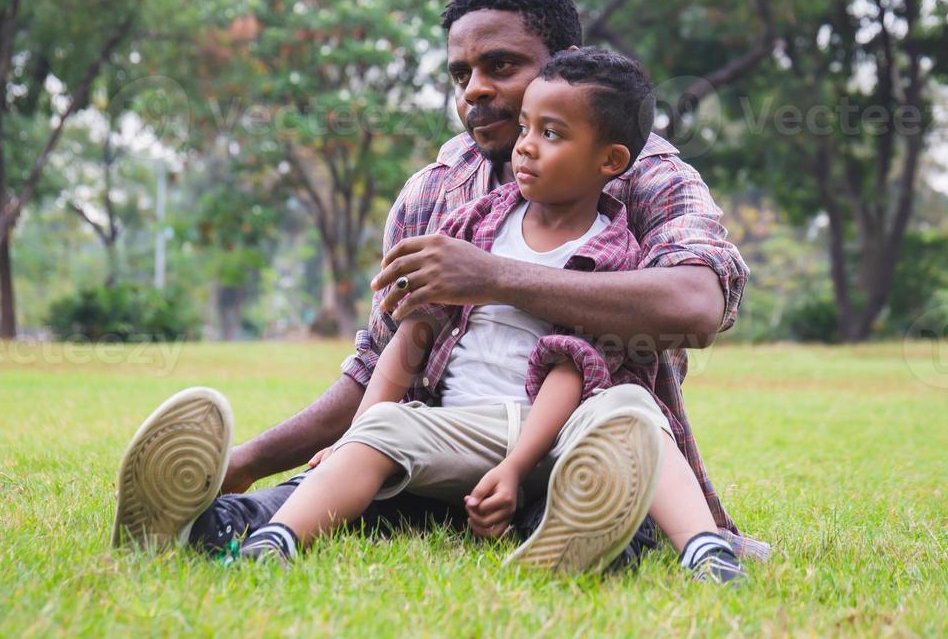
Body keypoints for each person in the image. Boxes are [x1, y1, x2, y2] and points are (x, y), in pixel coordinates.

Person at [111, 0, 768, 571]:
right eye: (460, 75)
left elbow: (696, 302)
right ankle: (215, 520)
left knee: (597, 483)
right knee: (341, 484)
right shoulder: (435, 192)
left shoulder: (642, 170)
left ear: (560, 69)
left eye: (500, 66)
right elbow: (378, 364)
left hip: (581, 441)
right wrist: (246, 463)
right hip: (442, 448)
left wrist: (492, 278)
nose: (475, 89)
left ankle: (596, 537)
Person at [222, 48, 745, 582]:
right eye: (525, 128)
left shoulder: (615, 244)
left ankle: (704, 551)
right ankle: (272, 537)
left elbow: (583, 358)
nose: (526, 146)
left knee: (632, 409)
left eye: (551, 133)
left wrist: (516, 463)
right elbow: (409, 335)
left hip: (562, 430)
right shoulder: (467, 215)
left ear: (609, 161)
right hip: (460, 425)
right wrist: (352, 435)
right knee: (380, 427)